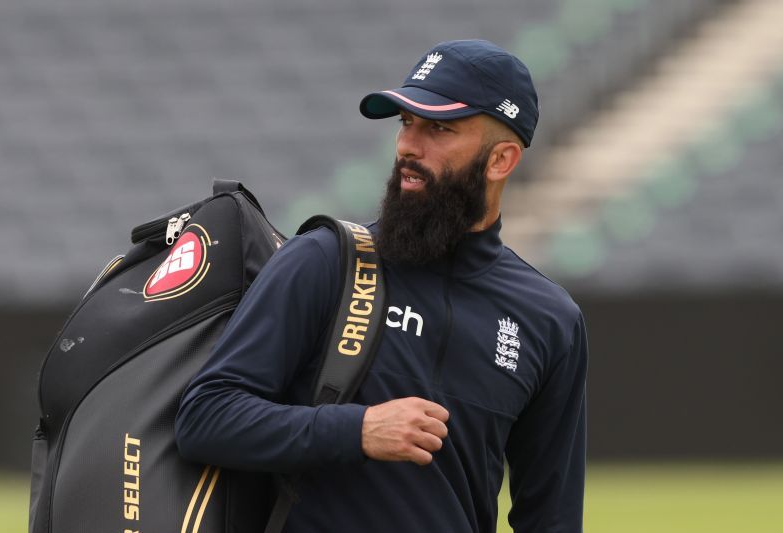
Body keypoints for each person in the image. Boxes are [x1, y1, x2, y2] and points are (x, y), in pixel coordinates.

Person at [175, 39, 587, 533]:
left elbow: (553, 517)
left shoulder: (550, 320)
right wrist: (358, 430)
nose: (409, 146)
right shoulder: (324, 260)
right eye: (406, 123)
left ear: (501, 160)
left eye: (439, 128)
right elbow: (205, 417)